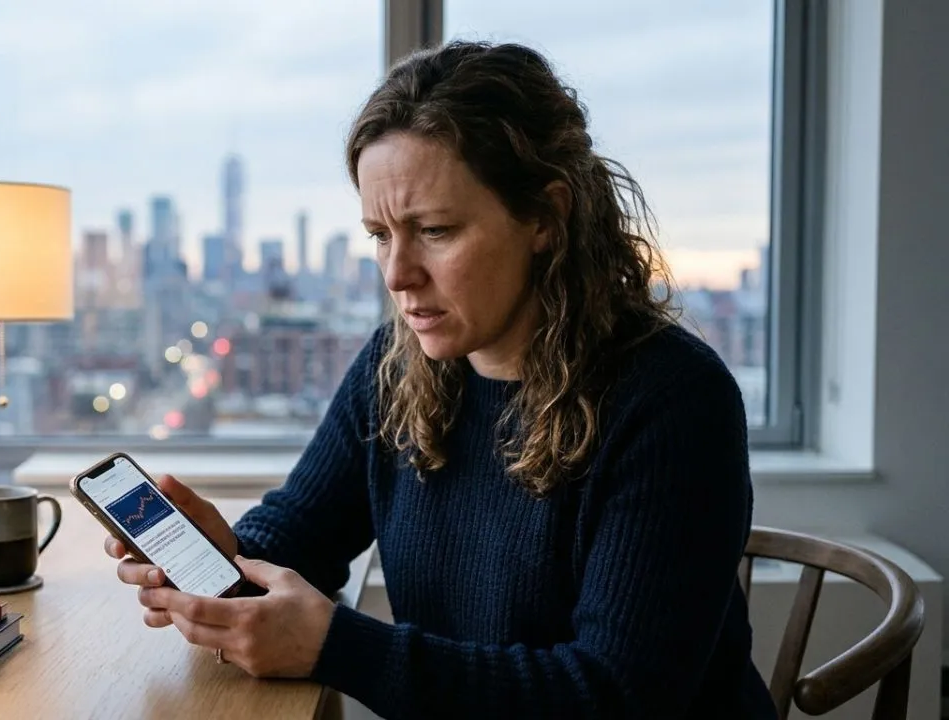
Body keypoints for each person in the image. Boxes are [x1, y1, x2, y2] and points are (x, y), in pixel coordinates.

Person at [104, 40, 778, 719]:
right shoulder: (395, 367)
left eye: (434, 230)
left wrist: (339, 647)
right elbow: (302, 534)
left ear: (546, 217)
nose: (398, 275)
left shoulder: (674, 401)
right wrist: (223, 556)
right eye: (379, 235)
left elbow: (612, 696)